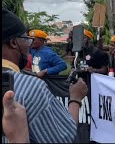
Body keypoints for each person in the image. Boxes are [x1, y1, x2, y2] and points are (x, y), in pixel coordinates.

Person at [2, 8, 88, 143]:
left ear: (42, 41)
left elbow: (62, 65)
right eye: (27, 39)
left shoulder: (48, 53)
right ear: (13, 42)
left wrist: (46, 72)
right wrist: (76, 98)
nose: (30, 44)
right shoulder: (31, 88)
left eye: (33, 40)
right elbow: (64, 138)